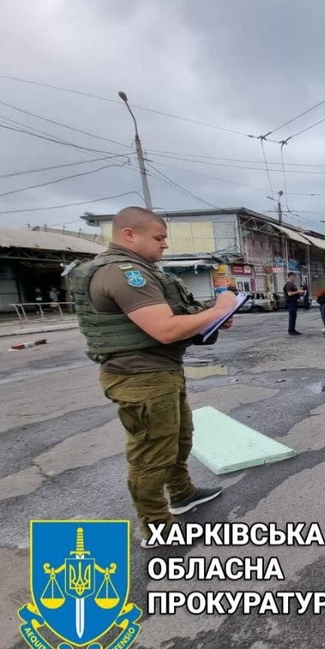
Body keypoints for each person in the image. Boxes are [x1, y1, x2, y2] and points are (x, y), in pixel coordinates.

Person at [70, 206, 238, 547]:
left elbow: (176, 321)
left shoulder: (145, 272)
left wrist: (213, 319)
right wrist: (217, 310)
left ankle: (182, 494)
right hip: (139, 378)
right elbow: (163, 329)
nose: (164, 245)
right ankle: (156, 526)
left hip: (160, 372)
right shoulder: (123, 272)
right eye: (159, 238)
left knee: (178, 439)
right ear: (129, 234)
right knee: (151, 453)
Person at [283, 271, 305, 336]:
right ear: (291, 277)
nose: (295, 278)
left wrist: (299, 292)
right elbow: (289, 294)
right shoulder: (288, 284)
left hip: (293, 302)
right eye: (294, 277)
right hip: (290, 302)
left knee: (293, 316)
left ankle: (293, 329)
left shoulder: (292, 284)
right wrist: (298, 291)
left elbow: (294, 292)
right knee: (292, 316)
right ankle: (291, 330)